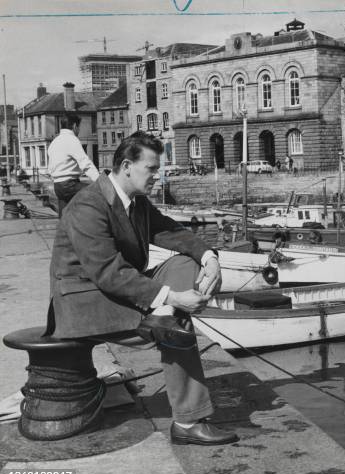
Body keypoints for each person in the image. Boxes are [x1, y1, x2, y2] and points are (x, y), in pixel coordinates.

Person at [47, 131, 238, 446]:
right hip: (84, 302)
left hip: (114, 291)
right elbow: (108, 272)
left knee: (184, 263)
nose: (157, 176)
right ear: (126, 166)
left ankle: (164, 315)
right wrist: (173, 298)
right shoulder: (88, 205)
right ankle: (188, 421)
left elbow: (171, 231)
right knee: (178, 324)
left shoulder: (135, 202)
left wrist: (210, 257)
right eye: (151, 168)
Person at [48, 112, 100, 217]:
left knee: (64, 217)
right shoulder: (72, 140)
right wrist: (101, 181)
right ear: (75, 126)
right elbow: (86, 164)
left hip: (58, 186)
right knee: (99, 194)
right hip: (70, 186)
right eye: (79, 127)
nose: (79, 131)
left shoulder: (54, 142)